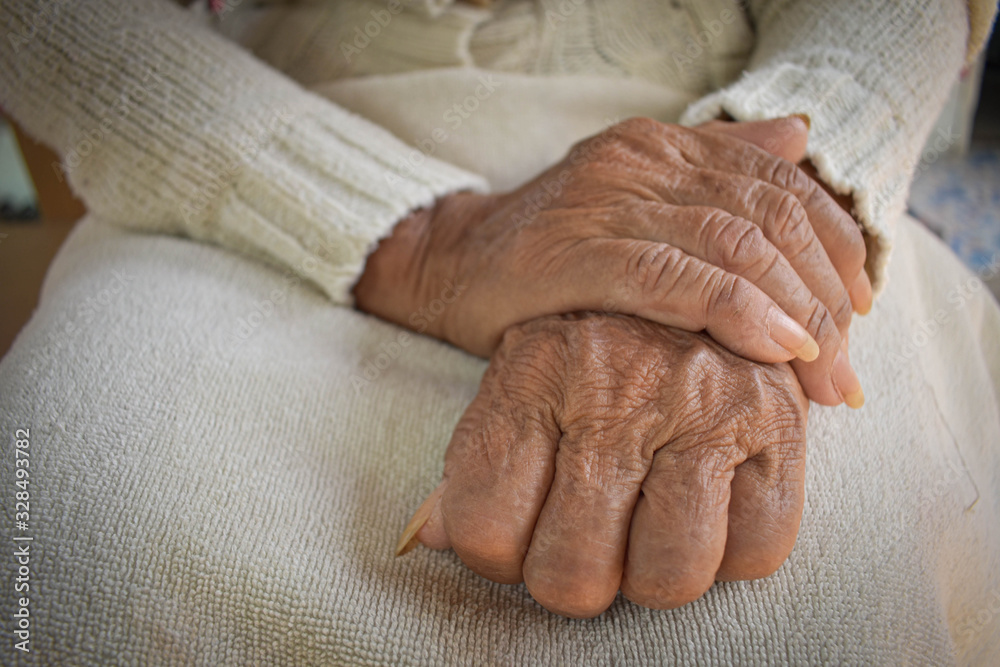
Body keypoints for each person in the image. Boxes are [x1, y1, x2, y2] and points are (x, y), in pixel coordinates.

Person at [1, 0, 998, 662]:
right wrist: (424, 241)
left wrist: (743, 220)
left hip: (749, 119)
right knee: (82, 536)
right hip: (258, 154)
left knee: (820, 606)